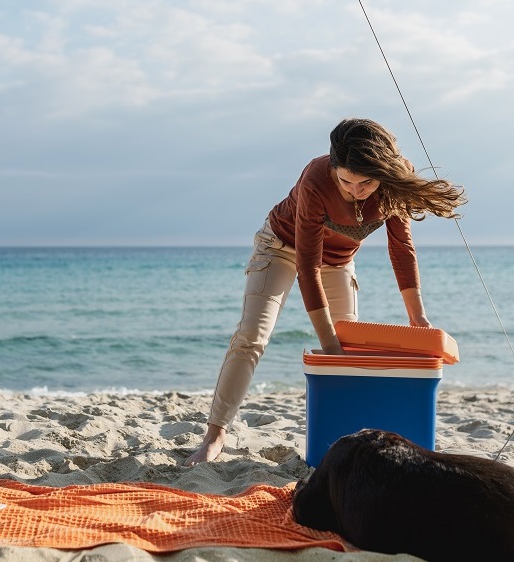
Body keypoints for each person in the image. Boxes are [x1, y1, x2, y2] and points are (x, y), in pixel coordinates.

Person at [184, 118, 466, 466]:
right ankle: (214, 435)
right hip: (281, 247)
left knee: (349, 350)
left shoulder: (395, 180)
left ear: (384, 173)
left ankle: (346, 441)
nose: (355, 190)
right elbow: (307, 266)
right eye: (346, 181)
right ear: (334, 168)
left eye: (366, 183)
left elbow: (401, 248)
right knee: (252, 335)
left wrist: (417, 317)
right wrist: (328, 346)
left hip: (338, 261)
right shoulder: (316, 178)